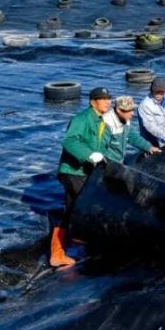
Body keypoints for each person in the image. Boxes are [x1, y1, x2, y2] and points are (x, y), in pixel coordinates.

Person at [53, 86, 112, 268]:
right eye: (103, 99)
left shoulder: (101, 122)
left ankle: (77, 239)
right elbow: (69, 140)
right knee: (76, 207)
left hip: (85, 172)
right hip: (73, 171)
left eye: (109, 98)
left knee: (79, 207)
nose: (108, 101)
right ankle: (57, 254)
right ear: (93, 101)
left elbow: (102, 147)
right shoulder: (82, 118)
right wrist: (88, 155)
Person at [103, 96, 161, 163]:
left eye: (133, 109)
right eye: (129, 110)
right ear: (118, 110)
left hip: (119, 161)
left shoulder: (125, 119)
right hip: (107, 164)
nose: (133, 113)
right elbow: (100, 148)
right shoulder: (105, 123)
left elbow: (132, 136)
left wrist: (149, 147)